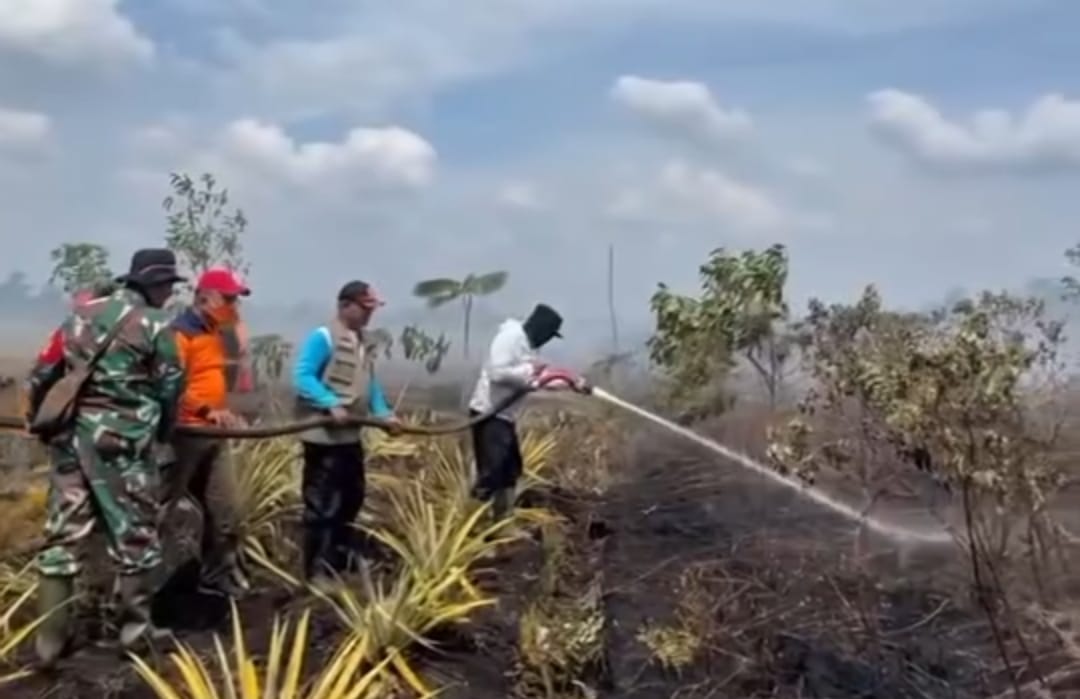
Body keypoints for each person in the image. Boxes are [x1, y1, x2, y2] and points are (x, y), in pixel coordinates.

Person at [25, 249, 184, 663]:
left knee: (64, 534)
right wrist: (163, 431)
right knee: (134, 534)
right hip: (122, 444)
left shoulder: (80, 315)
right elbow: (171, 385)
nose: (170, 293)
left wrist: (38, 416)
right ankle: (135, 634)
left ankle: (50, 642)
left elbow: (44, 371)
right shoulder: (155, 324)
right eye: (168, 285)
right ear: (152, 284)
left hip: (70, 441)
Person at [292, 280, 400, 586]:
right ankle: (317, 571)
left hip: (350, 438)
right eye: (364, 309)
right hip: (323, 439)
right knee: (323, 505)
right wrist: (328, 403)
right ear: (345, 306)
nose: (369, 316)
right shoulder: (323, 337)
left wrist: (384, 413)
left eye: (372, 309)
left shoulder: (362, 341)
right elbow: (302, 376)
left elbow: (370, 383)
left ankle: (338, 560)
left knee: (351, 498)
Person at [163, 267, 251, 598]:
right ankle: (156, 588)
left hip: (214, 435)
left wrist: (225, 414)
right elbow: (171, 387)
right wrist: (206, 411)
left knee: (225, 510)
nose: (233, 306)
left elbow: (226, 372)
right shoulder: (179, 334)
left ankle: (217, 576)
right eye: (229, 299)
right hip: (184, 435)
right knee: (169, 510)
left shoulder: (217, 332)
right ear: (205, 298)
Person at [467, 303, 586, 520]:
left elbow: (539, 381)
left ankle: (502, 523)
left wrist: (572, 383)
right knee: (492, 472)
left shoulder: (528, 346)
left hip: (504, 417)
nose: (548, 340)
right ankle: (475, 524)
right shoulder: (510, 337)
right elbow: (498, 372)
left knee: (510, 470)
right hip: (489, 413)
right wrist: (531, 371)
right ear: (540, 330)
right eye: (549, 335)